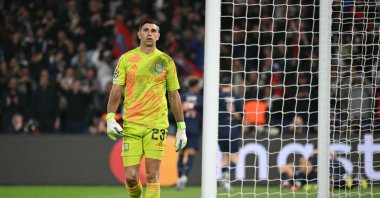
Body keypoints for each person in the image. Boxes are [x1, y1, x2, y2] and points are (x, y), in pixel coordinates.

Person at [106, 19, 187, 198]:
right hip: (132, 124)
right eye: (146, 30)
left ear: (158, 36)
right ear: (139, 34)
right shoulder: (126, 59)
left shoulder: (166, 61)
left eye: (153, 30)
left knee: (152, 175)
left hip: (156, 124)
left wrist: (181, 127)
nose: (150, 33)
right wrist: (110, 117)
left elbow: (173, 95)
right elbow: (116, 90)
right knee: (131, 178)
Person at [176, 77, 203, 191]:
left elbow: (175, 110)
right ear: (195, 86)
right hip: (195, 128)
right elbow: (205, 108)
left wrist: (187, 107)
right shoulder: (201, 98)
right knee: (191, 153)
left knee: (182, 153)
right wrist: (194, 106)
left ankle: (179, 177)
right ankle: (185, 176)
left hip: (183, 128)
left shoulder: (182, 97)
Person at [218, 76, 243, 191]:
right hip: (232, 129)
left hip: (220, 129)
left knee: (225, 156)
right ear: (231, 85)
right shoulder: (237, 98)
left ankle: (226, 182)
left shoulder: (217, 97)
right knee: (235, 157)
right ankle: (226, 175)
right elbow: (240, 116)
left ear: (220, 86)